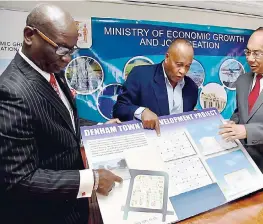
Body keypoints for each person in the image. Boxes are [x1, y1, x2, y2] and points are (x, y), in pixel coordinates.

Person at [0, 4, 122, 224]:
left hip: (72, 210)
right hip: (43, 215)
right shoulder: (10, 92)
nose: (67, 59)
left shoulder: (51, 68)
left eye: (72, 50)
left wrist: (98, 129)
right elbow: (19, 179)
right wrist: (92, 180)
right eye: (62, 49)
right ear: (29, 35)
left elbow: (62, 120)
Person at [219, 27, 263, 190]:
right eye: (248, 52)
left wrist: (248, 131)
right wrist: (232, 122)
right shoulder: (242, 80)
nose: (249, 58)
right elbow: (241, 112)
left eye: (257, 53)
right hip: (242, 165)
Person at [113, 38, 198, 135]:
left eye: (188, 66)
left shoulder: (192, 88)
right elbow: (119, 108)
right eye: (179, 64)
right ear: (167, 57)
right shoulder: (141, 75)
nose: (183, 71)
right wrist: (141, 112)